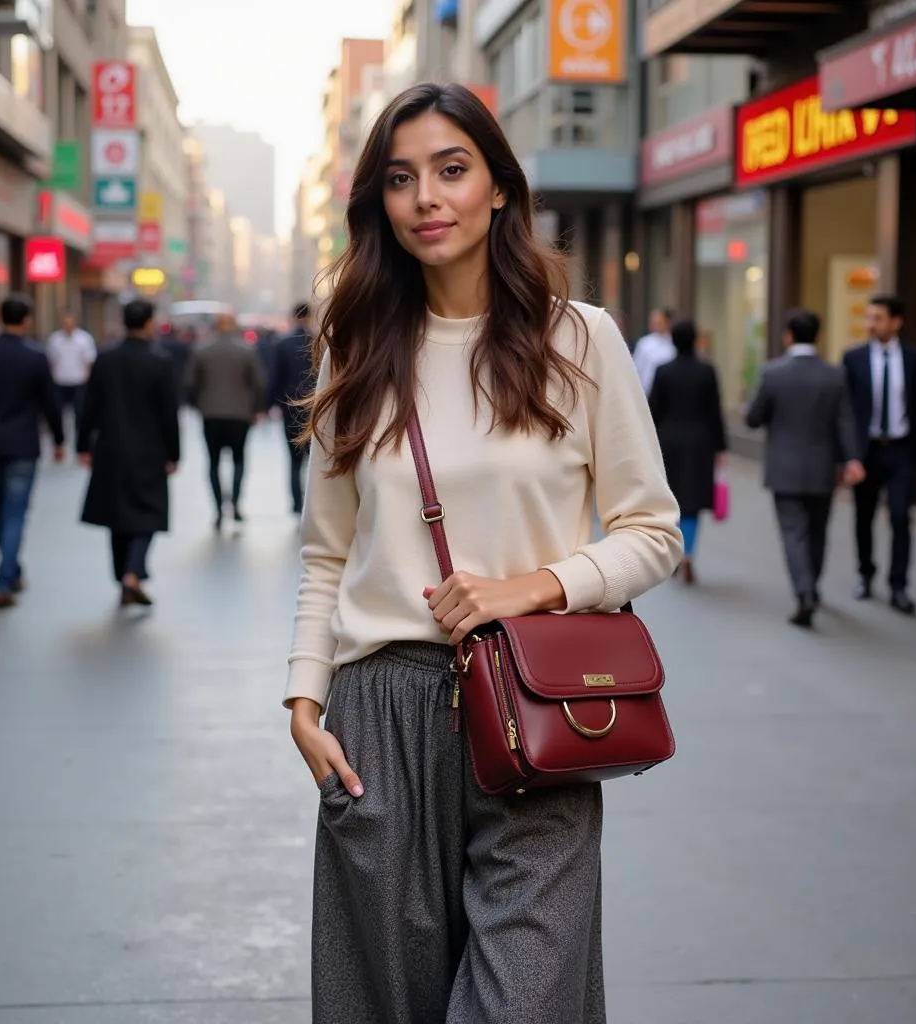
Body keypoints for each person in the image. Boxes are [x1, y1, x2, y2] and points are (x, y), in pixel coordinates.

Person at [285, 82, 682, 1024]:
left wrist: (535, 587)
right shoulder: (359, 348)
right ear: (378, 201)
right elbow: (325, 554)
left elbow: (652, 530)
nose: (427, 197)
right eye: (400, 177)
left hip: (537, 712)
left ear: (498, 187)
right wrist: (305, 703)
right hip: (379, 717)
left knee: (523, 1001)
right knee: (385, 1004)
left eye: (452, 170)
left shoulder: (579, 337)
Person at [745, 309, 865, 626]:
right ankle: (812, 586)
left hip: (784, 468)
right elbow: (845, 420)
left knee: (793, 533)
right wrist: (852, 459)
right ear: (819, 336)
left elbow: (752, 418)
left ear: (788, 336)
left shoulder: (773, 373)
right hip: (823, 467)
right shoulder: (834, 374)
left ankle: (804, 592)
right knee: (817, 533)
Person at [0, 295, 64, 608]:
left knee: (1, 509)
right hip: (22, 444)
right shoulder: (35, 357)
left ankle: (9, 570)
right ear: (27, 320)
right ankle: (6, 577)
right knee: (15, 511)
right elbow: (50, 402)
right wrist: (59, 439)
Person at [77, 299, 180, 607]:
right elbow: (168, 413)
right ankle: (133, 574)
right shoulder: (159, 362)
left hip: (110, 447)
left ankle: (124, 574)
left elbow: (88, 406)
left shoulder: (104, 360)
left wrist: (82, 445)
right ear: (148, 323)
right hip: (149, 449)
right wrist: (174, 452)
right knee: (146, 513)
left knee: (116, 513)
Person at [843, 295, 916, 614]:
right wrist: (848, 454)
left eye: (878, 318)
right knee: (863, 517)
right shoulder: (853, 358)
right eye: (869, 317)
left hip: (901, 450)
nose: (871, 323)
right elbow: (847, 410)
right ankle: (865, 575)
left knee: (900, 516)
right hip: (866, 451)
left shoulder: (914, 358)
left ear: (896, 322)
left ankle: (899, 586)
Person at [648, 317, 727, 585]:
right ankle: (689, 555)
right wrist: (720, 447)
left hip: (669, 441)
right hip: (700, 442)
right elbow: (715, 412)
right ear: (695, 340)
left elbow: (652, 412)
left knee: (671, 500)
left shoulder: (663, 371)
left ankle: (673, 554)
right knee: (692, 502)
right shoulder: (707, 371)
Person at [186, 311, 267, 529]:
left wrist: (197, 405)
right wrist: (258, 408)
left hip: (211, 414)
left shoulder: (202, 350)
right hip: (240, 414)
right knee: (239, 460)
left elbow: (191, 382)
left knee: (213, 462)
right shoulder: (246, 350)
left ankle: (218, 508)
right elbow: (258, 383)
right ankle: (236, 503)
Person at [271, 302, 315, 514]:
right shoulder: (319, 341)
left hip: (290, 406)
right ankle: (312, 502)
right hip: (315, 406)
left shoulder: (283, 344)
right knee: (315, 457)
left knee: (294, 458)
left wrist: (272, 404)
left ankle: (297, 503)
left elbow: (276, 378)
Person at [45, 310, 97, 448]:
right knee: (57, 413)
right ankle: (59, 442)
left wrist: (88, 379)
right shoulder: (54, 339)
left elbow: (88, 360)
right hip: (59, 381)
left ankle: (79, 442)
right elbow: (51, 361)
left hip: (78, 381)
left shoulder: (84, 339)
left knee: (79, 414)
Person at [632, 306, 676, 396]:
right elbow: (637, 369)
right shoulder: (644, 343)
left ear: (667, 322)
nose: (656, 324)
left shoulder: (674, 343)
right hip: (648, 393)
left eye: (659, 322)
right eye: (654, 322)